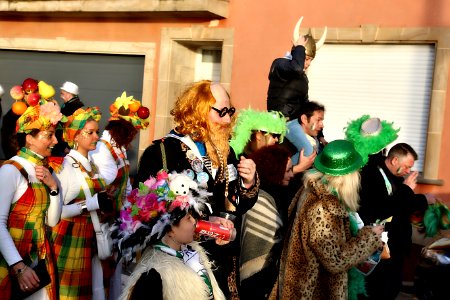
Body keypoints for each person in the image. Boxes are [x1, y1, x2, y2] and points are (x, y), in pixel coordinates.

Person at [136, 80, 259, 299]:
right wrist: (204, 225)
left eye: (230, 112)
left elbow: (233, 203)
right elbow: (152, 216)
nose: (228, 120)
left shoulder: (224, 150)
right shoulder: (163, 152)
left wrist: (248, 184)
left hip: (219, 263)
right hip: (177, 266)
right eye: (221, 112)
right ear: (198, 110)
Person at [270, 140, 384, 300]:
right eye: (356, 171)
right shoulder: (323, 207)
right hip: (311, 292)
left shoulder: (312, 190)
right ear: (347, 175)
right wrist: (369, 237)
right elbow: (335, 260)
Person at [117, 170, 226, 300]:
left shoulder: (193, 253)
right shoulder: (153, 275)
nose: (194, 222)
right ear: (169, 230)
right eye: (188, 218)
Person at [0, 102, 64, 299]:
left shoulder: (47, 172)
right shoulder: (11, 170)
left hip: (41, 259)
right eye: (48, 135)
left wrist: (54, 187)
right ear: (29, 138)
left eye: (55, 135)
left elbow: (52, 222)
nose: (55, 141)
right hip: (14, 263)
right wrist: (18, 267)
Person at [50, 107, 114, 300]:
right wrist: (91, 204)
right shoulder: (65, 166)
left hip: (90, 237)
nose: (96, 137)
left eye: (96, 131)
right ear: (75, 136)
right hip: (71, 239)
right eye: (90, 132)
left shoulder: (91, 164)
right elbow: (55, 213)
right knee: (71, 294)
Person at [357, 142, 434, 300]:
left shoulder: (396, 178)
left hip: (395, 247)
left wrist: (423, 199)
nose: (408, 171)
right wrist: (407, 190)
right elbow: (383, 208)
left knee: (392, 288)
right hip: (378, 247)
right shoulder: (371, 174)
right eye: (406, 167)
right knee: (377, 290)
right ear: (394, 161)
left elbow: (404, 203)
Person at [239, 145, 294, 299]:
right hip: (256, 282)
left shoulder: (279, 194)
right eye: (288, 170)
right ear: (274, 169)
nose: (291, 174)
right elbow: (255, 245)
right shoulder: (260, 199)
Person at [267, 17, 327, 154]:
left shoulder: (303, 78)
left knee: (315, 148)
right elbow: (296, 68)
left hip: (293, 123)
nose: (308, 63)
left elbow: (306, 106)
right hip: (278, 123)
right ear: (296, 53)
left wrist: (320, 135)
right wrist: (299, 47)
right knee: (308, 151)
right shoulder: (280, 64)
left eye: (311, 60)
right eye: (306, 59)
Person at [91, 91, 150, 212]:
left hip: (117, 213)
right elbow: (99, 184)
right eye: (133, 133)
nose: (133, 137)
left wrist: (129, 207)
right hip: (101, 213)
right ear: (123, 131)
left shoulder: (120, 148)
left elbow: (126, 184)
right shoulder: (101, 149)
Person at [284, 100, 324, 174]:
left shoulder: (314, 138)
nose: (322, 125)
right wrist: (296, 169)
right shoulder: (286, 145)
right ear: (304, 119)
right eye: (318, 120)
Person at [52, 81, 85, 157]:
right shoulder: (71, 105)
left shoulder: (72, 108)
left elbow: (64, 125)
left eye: (62, 94)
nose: (61, 96)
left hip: (65, 146)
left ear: (69, 94)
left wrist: (65, 147)